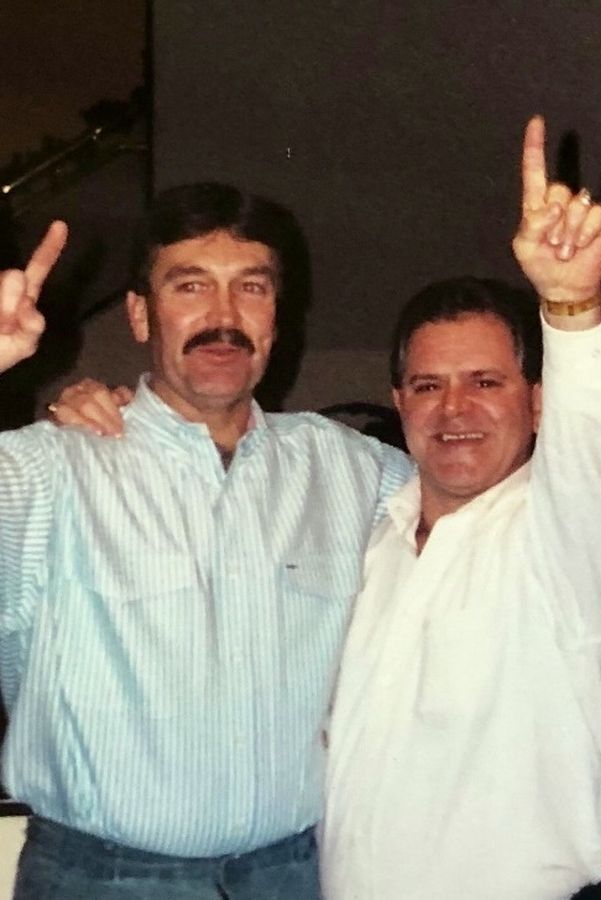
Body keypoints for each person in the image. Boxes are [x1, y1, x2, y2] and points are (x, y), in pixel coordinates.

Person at [0, 185, 412, 899]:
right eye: (190, 285)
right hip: (104, 882)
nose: (224, 317)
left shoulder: (352, 468)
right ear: (140, 314)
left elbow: (504, 514)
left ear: (276, 316)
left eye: (251, 287)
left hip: (294, 874)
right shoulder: (49, 469)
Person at [318, 116, 601, 899]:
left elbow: (597, 452)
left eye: (486, 382)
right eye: (428, 386)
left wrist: (571, 306)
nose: (454, 409)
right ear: (399, 402)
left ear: (537, 402)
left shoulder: (564, 536)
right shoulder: (374, 539)